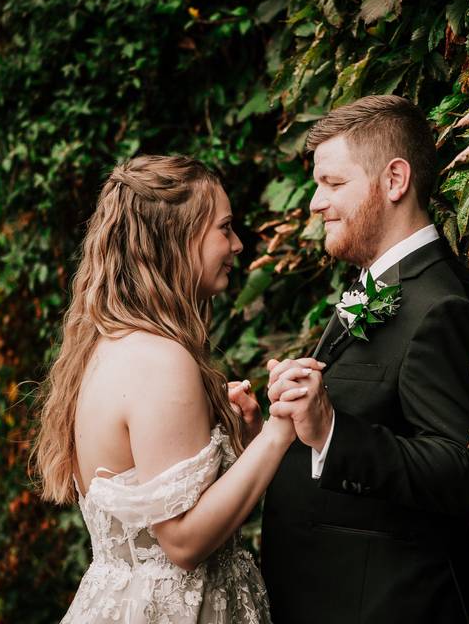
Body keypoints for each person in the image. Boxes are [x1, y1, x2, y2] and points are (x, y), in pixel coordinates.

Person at [260, 95, 469, 624]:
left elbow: (460, 470)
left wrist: (331, 431)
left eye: (334, 183)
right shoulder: (380, 286)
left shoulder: (443, 307)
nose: (316, 204)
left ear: (395, 180)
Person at [31, 156, 295, 623]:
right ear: (177, 239)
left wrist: (248, 440)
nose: (236, 244)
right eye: (224, 228)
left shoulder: (109, 343)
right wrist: (278, 434)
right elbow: (183, 541)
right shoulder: (160, 359)